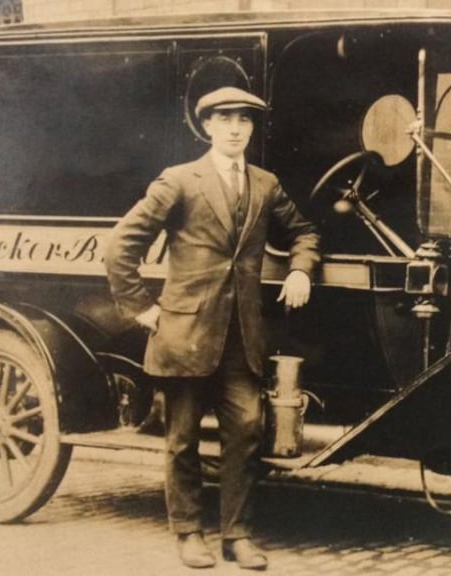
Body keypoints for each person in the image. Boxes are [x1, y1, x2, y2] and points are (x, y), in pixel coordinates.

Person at [105, 86, 320, 570]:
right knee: (181, 438)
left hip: (242, 337)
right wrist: (140, 307)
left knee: (245, 432)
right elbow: (121, 243)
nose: (235, 127)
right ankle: (188, 533)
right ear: (207, 126)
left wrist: (301, 269)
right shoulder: (180, 181)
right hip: (185, 335)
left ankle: (237, 535)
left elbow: (304, 231)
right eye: (224, 119)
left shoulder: (265, 184)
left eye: (244, 119)